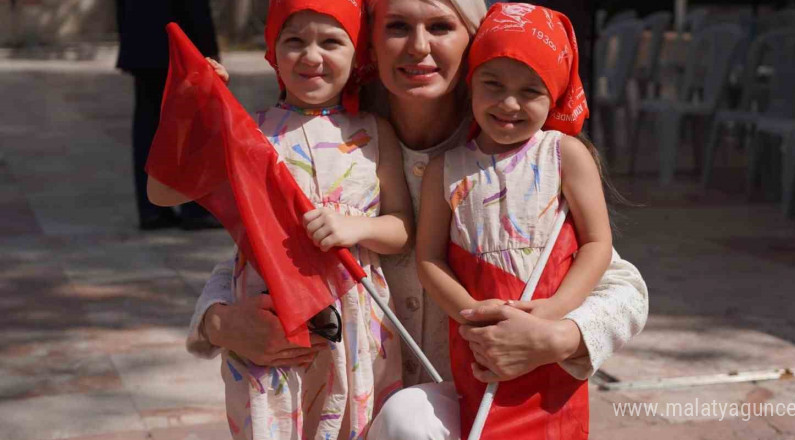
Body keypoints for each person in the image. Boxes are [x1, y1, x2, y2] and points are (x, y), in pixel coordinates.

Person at [190, 1, 648, 438]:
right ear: (369, 41)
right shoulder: (344, 145)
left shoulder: (517, 158)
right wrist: (219, 322)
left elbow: (622, 286)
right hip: (349, 409)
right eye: (397, 27)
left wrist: (557, 336)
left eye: (440, 27)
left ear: (474, 42)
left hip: (487, 406)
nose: (418, 46)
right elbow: (264, 250)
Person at [147, 1, 412, 438]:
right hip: (269, 319)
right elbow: (163, 192)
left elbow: (402, 227)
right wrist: (189, 111)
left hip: (357, 326)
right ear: (272, 51)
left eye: (331, 41)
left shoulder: (376, 132)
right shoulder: (250, 133)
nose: (311, 56)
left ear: (358, 54)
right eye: (294, 41)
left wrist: (358, 227)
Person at [415, 4, 607, 437]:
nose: (509, 103)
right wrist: (471, 318)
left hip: (547, 341)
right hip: (476, 342)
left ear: (555, 94)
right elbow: (428, 259)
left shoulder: (564, 155)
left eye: (531, 91)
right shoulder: (445, 170)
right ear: (471, 85)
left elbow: (597, 244)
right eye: (493, 84)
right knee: (480, 423)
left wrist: (554, 313)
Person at [115, 0, 223, 230]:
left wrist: (128, 41)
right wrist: (208, 48)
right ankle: (194, 208)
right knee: (192, 127)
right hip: (177, 44)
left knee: (148, 126)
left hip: (142, 41)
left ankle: (152, 209)